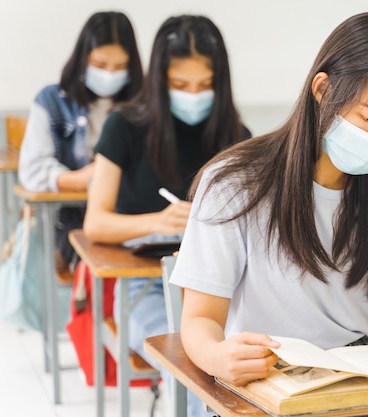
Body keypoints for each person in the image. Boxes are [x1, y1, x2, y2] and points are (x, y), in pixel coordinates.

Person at [170, 9, 368, 398]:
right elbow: (199, 320)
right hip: (268, 378)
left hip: (359, 380)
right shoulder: (233, 183)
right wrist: (217, 355)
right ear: (323, 91)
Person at [82, 15, 251, 416]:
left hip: (223, 292)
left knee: (249, 367)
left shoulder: (236, 136)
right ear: (159, 81)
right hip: (145, 289)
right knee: (196, 366)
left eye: (204, 85)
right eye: (179, 85)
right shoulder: (124, 126)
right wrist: (158, 221)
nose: (193, 95)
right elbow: (96, 223)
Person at [18, 11, 143, 280]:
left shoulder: (142, 106)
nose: (110, 74)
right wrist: (83, 179)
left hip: (134, 216)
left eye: (120, 66)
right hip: (76, 217)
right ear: (82, 58)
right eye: (100, 63)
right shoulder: (52, 101)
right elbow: (31, 169)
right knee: (93, 265)